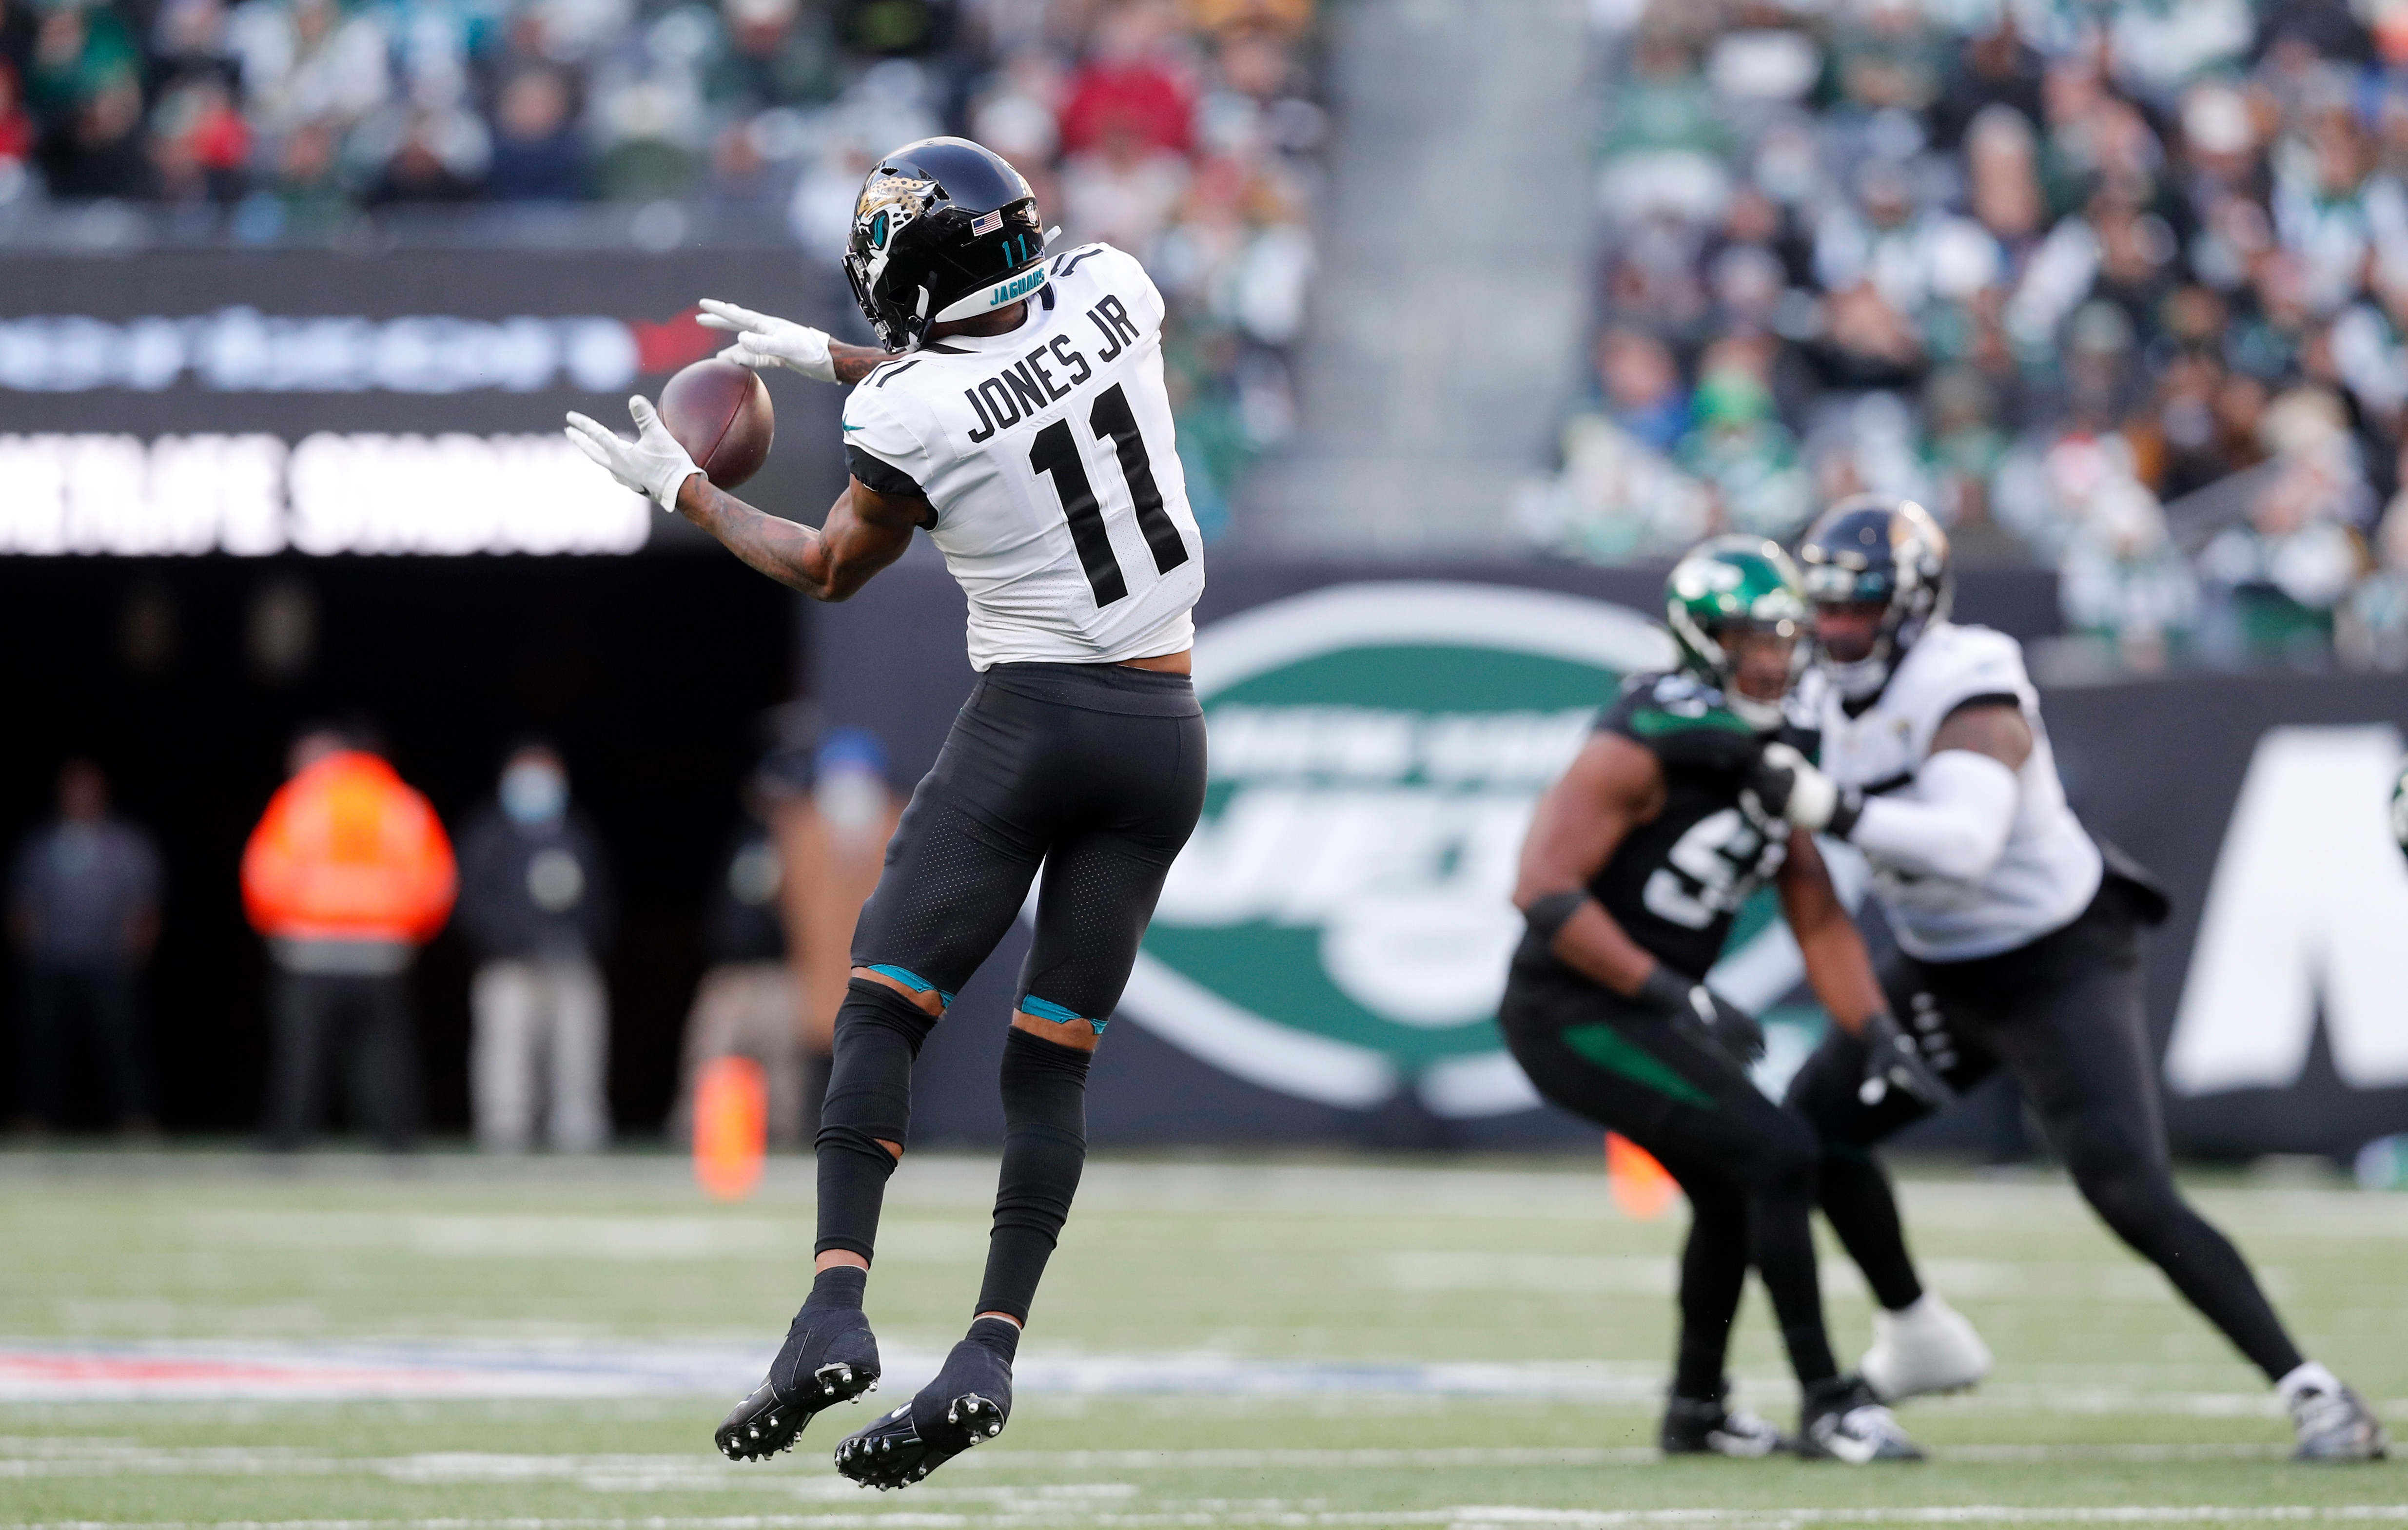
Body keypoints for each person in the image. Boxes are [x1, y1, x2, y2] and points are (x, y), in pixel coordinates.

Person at [566, 136, 1206, 1487]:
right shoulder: (1117, 285)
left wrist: (685, 492)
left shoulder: (911, 413)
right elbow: (1012, 370)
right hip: (1163, 732)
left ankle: (831, 1311)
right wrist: (827, 361)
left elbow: (826, 565)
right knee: (1053, 1060)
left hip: (1034, 719)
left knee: (881, 1007)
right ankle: (988, 1347)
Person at [1751, 496, 2388, 1462]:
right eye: (1825, 610)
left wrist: (1823, 804)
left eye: (1858, 609)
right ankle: (1915, 1331)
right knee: (1814, 1132)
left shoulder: (1968, 677)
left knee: (2126, 1187)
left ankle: (2315, 1389)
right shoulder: (1809, 689)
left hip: (2056, 961)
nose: (1836, 630)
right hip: (1941, 967)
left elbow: (1964, 843)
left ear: (1912, 607)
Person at [1506, 536, 1940, 1464]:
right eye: (1754, 636)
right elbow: (1541, 889)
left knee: (1731, 1183)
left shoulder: (1769, 743)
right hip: (1569, 1009)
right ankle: (1828, 1401)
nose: (1776, 657)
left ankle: (1694, 1410)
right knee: (1776, 1149)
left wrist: (1872, 1029)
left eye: (1786, 636)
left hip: (1640, 1007)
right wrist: (1675, 992)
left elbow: (1816, 912)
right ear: (1703, 639)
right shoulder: (1640, 740)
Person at [242, 722, 455, 1154]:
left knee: (301, 1055)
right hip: (383, 952)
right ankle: (399, 1146)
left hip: (309, 949)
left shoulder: (302, 802)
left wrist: (281, 927)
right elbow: (437, 883)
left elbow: (263, 876)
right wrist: (409, 932)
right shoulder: (401, 805)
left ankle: (285, 1146)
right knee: (387, 1056)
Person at [454, 741, 616, 1155]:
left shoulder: (575, 832)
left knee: (578, 1051)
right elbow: (470, 900)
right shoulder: (487, 832)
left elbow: (600, 897)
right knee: (505, 1050)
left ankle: (577, 1130)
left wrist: (587, 942)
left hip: (569, 961)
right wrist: (504, 941)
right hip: (508, 964)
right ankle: (505, 1131)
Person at [7, 760, 162, 1137]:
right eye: (72, 789)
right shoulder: (41, 843)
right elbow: (22, 902)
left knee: (121, 1044)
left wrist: (134, 951)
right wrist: (29, 949)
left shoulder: (125, 843)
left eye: (87, 788)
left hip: (108, 961)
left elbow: (144, 903)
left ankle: (135, 1119)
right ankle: (37, 1118)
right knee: (43, 1045)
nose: (80, 796)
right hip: (52, 961)